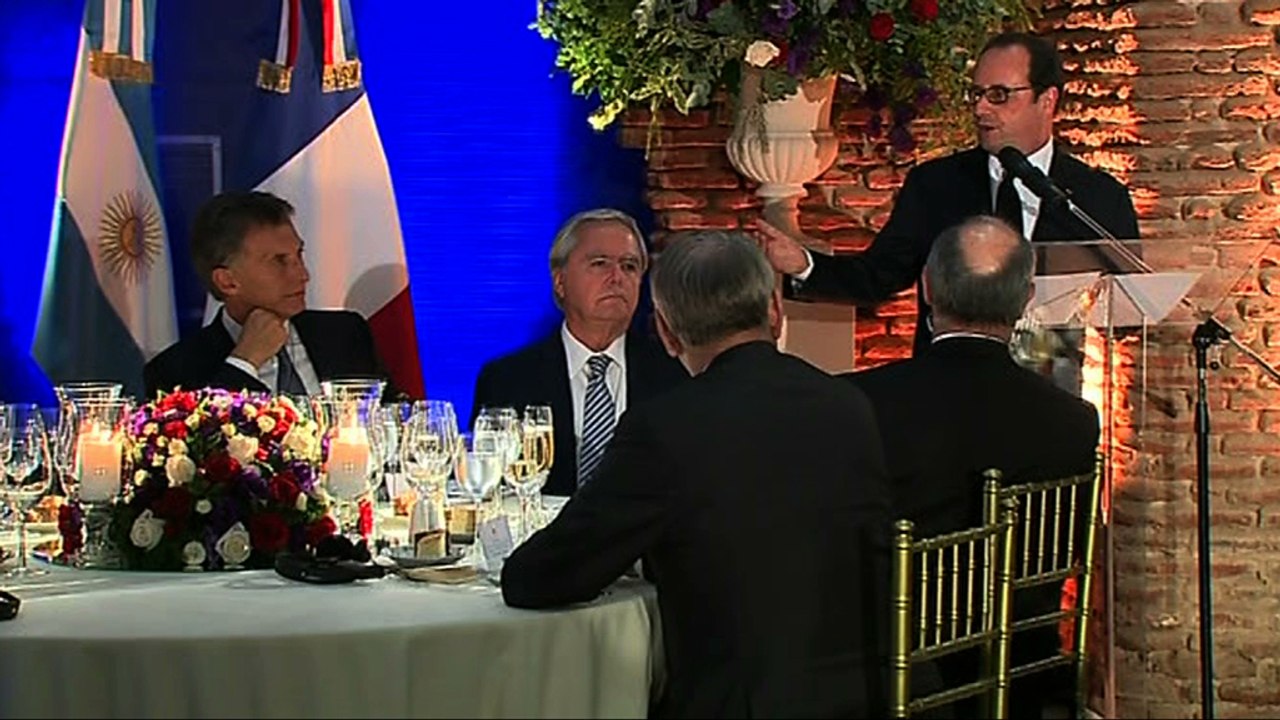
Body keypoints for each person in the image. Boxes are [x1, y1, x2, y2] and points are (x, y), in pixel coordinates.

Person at [501, 230, 893, 719]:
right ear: (775, 311)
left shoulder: (666, 428)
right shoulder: (850, 405)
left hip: (741, 705)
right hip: (875, 696)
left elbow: (543, 576)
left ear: (666, 332)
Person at [845, 216, 1099, 718]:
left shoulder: (859, 402)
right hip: (1022, 674)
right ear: (1027, 298)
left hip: (894, 675)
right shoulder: (1075, 420)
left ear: (927, 288)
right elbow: (1061, 555)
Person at [759, 31, 1140, 357]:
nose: (981, 108)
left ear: (1047, 100)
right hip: (946, 388)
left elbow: (1130, 312)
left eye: (999, 95)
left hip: (1047, 393)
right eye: (976, 94)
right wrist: (803, 264)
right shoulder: (936, 184)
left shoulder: (1096, 196)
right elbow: (879, 276)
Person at [470, 209, 687, 496]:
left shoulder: (676, 377)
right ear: (560, 282)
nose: (617, 277)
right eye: (600, 264)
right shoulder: (506, 379)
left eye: (629, 266)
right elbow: (488, 492)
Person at [144, 191, 396, 399]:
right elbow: (203, 440)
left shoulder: (345, 334)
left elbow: (392, 423)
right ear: (227, 281)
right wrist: (245, 361)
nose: (303, 275)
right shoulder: (174, 372)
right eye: (279, 261)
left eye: (299, 255)